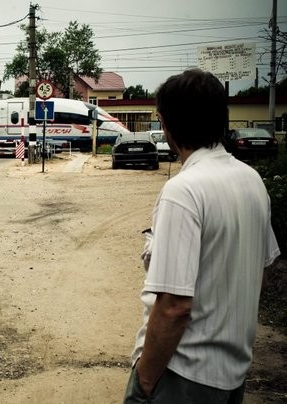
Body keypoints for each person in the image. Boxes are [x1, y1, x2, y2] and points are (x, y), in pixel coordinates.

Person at [124, 69, 280, 403]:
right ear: (222, 119)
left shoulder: (183, 191)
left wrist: (146, 381)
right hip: (233, 373)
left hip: (183, 375)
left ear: (165, 124)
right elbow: (262, 274)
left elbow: (174, 307)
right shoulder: (252, 180)